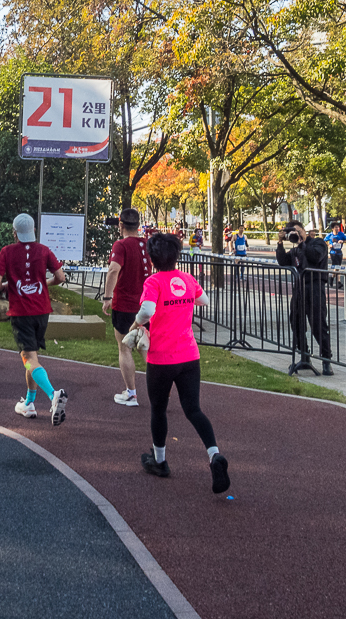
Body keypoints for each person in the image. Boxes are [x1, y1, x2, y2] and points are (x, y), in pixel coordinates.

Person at [128, 232, 230, 493]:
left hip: (162, 357)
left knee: (158, 410)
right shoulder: (187, 279)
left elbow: (148, 310)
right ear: (176, 256)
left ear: (152, 258)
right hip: (189, 356)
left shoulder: (153, 281)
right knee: (193, 409)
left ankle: (160, 461)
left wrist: (139, 322)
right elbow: (203, 300)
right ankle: (214, 454)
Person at [0, 213, 69, 425]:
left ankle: (53, 394)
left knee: (28, 359)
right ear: (34, 230)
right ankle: (29, 403)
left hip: (21, 312)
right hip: (42, 311)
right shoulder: (44, 251)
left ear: (14, 233)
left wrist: (9, 285)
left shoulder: (6, 252)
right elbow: (61, 277)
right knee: (32, 358)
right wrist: (45, 283)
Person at [102, 208, 151, 407]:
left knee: (124, 348)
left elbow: (114, 269)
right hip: (146, 304)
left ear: (121, 225)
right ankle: (161, 389)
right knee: (146, 347)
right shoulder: (147, 245)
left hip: (124, 304)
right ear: (138, 225)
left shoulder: (120, 245)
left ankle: (131, 393)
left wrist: (107, 297)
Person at [275, 221, 333, 375]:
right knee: (296, 322)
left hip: (315, 287)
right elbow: (283, 261)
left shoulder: (318, 243)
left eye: (296, 231)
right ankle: (304, 355)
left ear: (303, 230)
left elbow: (315, 257)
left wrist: (303, 241)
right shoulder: (295, 249)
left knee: (318, 325)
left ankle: (326, 359)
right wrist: (280, 242)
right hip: (299, 288)